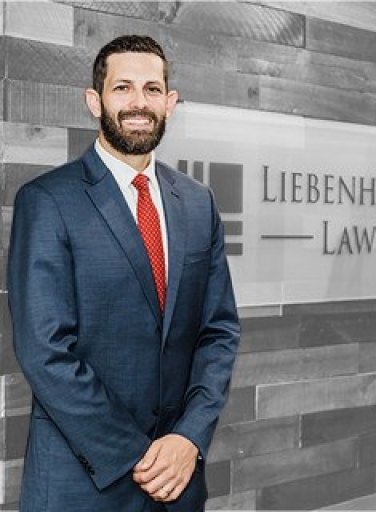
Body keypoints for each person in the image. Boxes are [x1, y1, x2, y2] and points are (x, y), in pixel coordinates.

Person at [7, 35, 240, 512]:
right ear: (95, 101)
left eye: (152, 89)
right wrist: (142, 457)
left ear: (170, 103)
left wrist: (188, 438)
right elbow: (44, 350)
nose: (139, 103)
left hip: (179, 480)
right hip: (83, 482)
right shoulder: (47, 201)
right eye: (122, 88)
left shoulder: (198, 203)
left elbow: (218, 332)